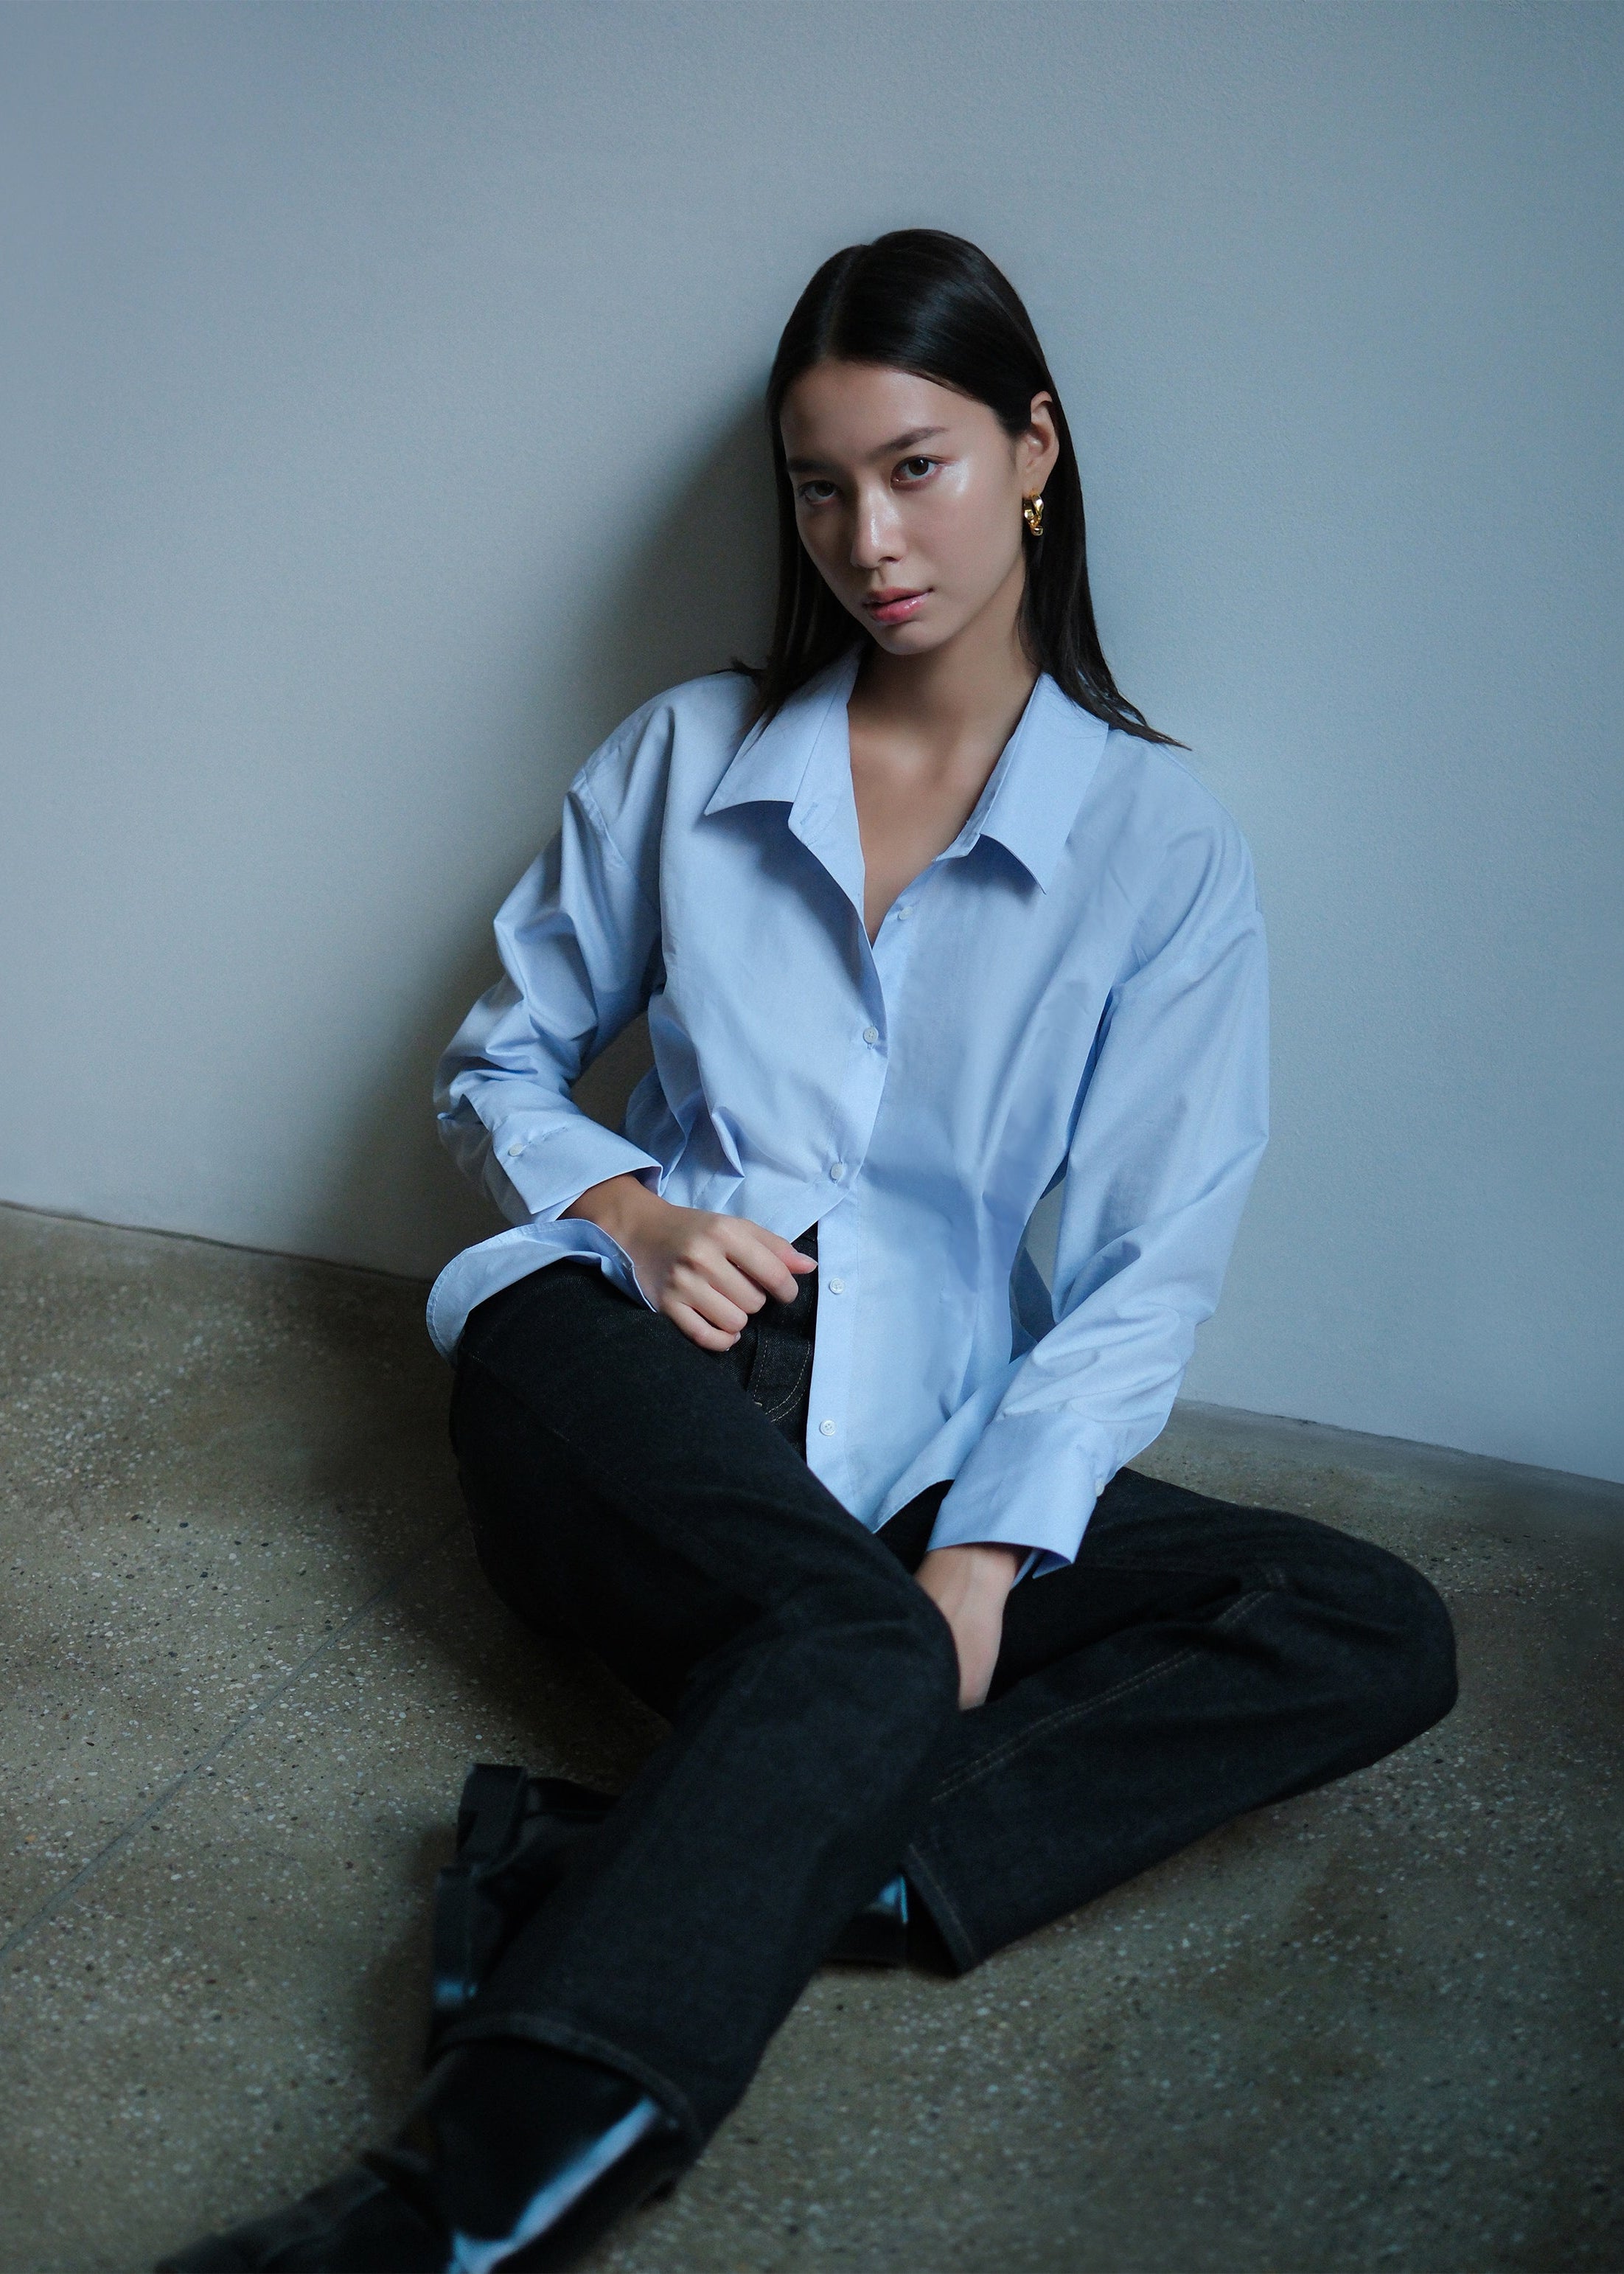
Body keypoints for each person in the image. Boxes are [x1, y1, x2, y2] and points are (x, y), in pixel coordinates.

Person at [161, 229, 1456, 2274]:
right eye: (819, 483)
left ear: (1033, 451)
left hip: (922, 1432)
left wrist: (984, 1546)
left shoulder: (1156, 845)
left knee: (1363, 1621)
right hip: (612, 1366)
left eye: (917, 466)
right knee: (848, 1655)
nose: (868, 535)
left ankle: (587, 1873)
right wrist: (634, 1210)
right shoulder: (687, 757)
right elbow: (496, 1061)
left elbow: (1144, 1258)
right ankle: (437, 2221)